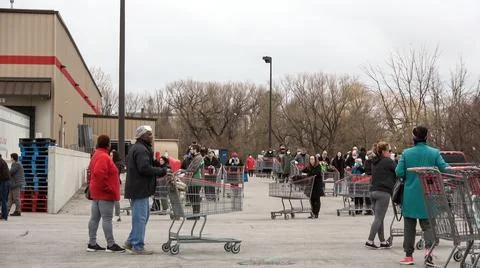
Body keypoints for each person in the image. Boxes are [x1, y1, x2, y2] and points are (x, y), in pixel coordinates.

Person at [396, 126, 449, 266]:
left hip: (411, 195)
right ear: (426, 137)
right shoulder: (434, 153)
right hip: (429, 194)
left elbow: (399, 172)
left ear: (414, 137)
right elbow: (444, 168)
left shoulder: (406, 153)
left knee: (409, 226)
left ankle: (408, 256)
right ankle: (428, 252)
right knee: (429, 226)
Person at [124, 125, 167, 255]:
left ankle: (131, 241)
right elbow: (144, 168)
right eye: (149, 134)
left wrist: (160, 165)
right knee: (141, 218)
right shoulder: (141, 150)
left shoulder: (141, 148)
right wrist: (161, 171)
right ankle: (137, 246)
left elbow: (148, 164)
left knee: (142, 217)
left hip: (139, 188)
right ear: (142, 135)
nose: (151, 136)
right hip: (140, 189)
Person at [87, 135, 125, 253]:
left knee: (94, 219)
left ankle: (92, 243)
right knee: (107, 219)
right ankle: (111, 244)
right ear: (107, 145)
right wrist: (108, 188)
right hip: (105, 194)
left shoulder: (96, 155)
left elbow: (92, 172)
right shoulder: (104, 156)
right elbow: (99, 173)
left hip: (96, 193)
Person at [365, 142, 396, 250]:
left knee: (379, 218)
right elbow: (398, 171)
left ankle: (382, 241)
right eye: (389, 151)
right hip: (383, 192)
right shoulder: (388, 161)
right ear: (383, 151)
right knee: (379, 218)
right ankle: (370, 240)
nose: (390, 152)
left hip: (373, 191)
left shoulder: (375, 162)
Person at [185, 144, 204, 220]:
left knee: (195, 197)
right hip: (193, 180)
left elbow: (194, 168)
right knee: (193, 197)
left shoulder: (198, 157)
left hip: (196, 180)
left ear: (196, 150)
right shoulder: (195, 157)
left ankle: (196, 214)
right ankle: (195, 213)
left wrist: (186, 172)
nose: (191, 150)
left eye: (192, 149)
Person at [110, 150, 123, 222]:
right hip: (113, 182)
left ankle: (117, 215)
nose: (110, 156)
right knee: (113, 199)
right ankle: (117, 215)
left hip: (115, 182)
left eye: (111, 155)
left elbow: (115, 173)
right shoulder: (114, 163)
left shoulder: (117, 164)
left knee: (115, 199)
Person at [0, 154, 10, 221]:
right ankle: (3, 215)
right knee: (3, 199)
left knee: (3, 200)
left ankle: (4, 216)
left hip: (3, 182)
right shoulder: (2, 161)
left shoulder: (0, 162)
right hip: (5, 182)